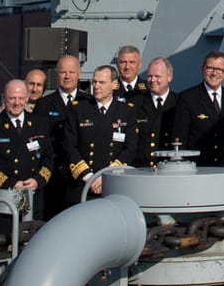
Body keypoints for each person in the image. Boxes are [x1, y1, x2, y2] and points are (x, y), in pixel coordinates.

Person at [61, 64, 145, 200]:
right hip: (83, 184)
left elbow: (130, 148)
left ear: (114, 84)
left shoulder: (126, 111)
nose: (96, 86)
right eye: (94, 82)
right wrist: (90, 177)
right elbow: (69, 146)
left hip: (114, 183)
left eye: (101, 82)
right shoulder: (78, 109)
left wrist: (106, 177)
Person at [0, 78, 55, 223]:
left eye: (20, 98)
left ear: (26, 98)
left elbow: (48, 157)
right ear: (4, 98)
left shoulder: (40, 124)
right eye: (12, 98)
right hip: (4, 198)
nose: (16, 103)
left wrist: (38, 181)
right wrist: (11, 183)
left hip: (33, 196)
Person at [35, 54, 89, 214]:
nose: (67, 76)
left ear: (79, 74)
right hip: (54, 177)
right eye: (63, 72)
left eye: (71, 72)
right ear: (57, 74)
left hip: (80, 177)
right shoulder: (44, 105)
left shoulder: (89, 102)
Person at [172, 51, 224, 165]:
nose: (214, 73)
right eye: (210, 68)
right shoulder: (188, 98)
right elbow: (180, 138)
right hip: (199, 166)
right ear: (203, 69)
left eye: (219, 69)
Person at [139, 58, 176, 163]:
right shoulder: (138, 103)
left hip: (168, 165)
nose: (152, 80)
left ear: (169, 77)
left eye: (157, 76)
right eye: (150, 76)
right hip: (142, 167)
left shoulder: (179, 103)